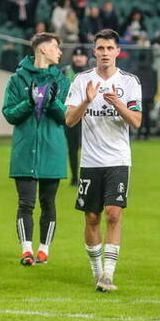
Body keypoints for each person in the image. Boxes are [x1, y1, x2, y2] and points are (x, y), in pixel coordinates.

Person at [65, 29, 142, 292]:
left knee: (113, 214)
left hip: (118, 159)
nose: (105, 53)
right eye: (101, 48)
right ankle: (97, 272)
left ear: (118, 52)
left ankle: (108, 274)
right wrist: (87, 100)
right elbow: (70, 120)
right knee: (92, 218)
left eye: (110, 48)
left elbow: (136, 121)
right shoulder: (81, 81)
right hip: (90, 160)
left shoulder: (130, 82)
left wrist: (119, 104)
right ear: (94, 51)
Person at [2, 33, 69, 265]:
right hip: (25, 149)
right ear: (42, 49)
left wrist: (52, 102)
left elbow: (66, 118)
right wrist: (28, 102)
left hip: (53, 150)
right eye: (56, 47)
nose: (59, 52)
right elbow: (9, 114)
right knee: (26, 203)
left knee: (48, 203)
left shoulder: (61, 80)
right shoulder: (17, 80)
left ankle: (44, 250)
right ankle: (27, 250)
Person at [63, 47, 89, 186]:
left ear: (86, 58)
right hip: (72, 115)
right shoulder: (65, 72)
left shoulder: (92, 73)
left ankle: (86, 176)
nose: (79, 58)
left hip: (88, 117)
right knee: (72, 148)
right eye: (76, 55)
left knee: (88, 148)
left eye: (82, 55)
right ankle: (74, 177)